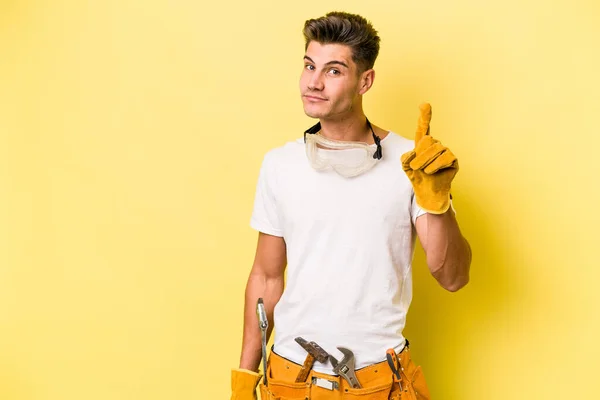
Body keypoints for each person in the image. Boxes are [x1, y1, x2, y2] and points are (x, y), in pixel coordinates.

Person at [230, 11, 472, 400]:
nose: (313, 81)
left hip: (380, 380)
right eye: (309, 66)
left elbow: (453, 277)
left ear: (365, 80)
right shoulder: (280, 164)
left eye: (333, 71)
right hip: (290, 378)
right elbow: (266, 277)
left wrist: (437, 201)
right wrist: (245, 374)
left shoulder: (411, 162)